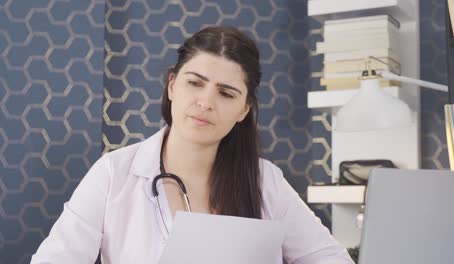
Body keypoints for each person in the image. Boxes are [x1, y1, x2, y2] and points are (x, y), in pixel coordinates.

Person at [31, 26, 354, 264]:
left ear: (244, 109)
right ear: (172, 85)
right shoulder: (114, 174)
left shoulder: (265, 181)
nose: (205, 102)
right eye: (194, 83)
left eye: (226, 93)